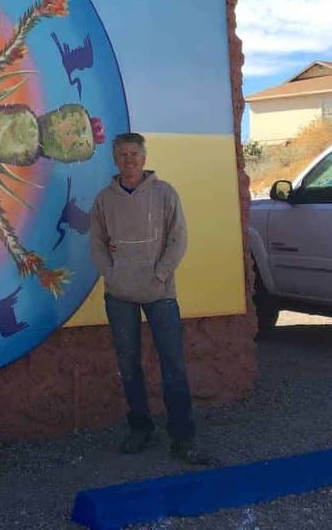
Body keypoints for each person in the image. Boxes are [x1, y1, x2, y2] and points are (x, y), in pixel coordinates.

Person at [89, 132, 208, 465]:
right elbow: (97, 241)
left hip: (160, 293)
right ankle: (141, 428)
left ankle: (182, 437)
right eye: (123, 155)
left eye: (135, 154)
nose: (129, 161)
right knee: (128, 364)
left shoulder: (164, 194)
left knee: (173, 364)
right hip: (119, 294)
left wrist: (161, 273)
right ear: (115, 159)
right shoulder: (104, 200)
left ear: (144, 157)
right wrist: (110, 273)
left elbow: (178, 238)